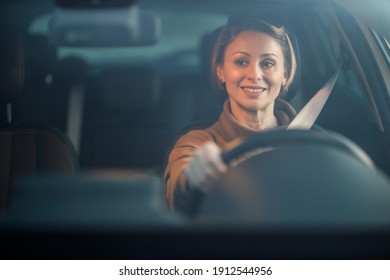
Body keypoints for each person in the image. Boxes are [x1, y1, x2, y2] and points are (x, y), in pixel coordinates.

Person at [164, 16, 297, 215]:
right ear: (221, 72)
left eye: (268, 63)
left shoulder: (313, 142)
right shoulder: (196, 143)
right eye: (241, 61)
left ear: (284, 75)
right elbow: (178, 194)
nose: (254, 74)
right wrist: (195, 179)